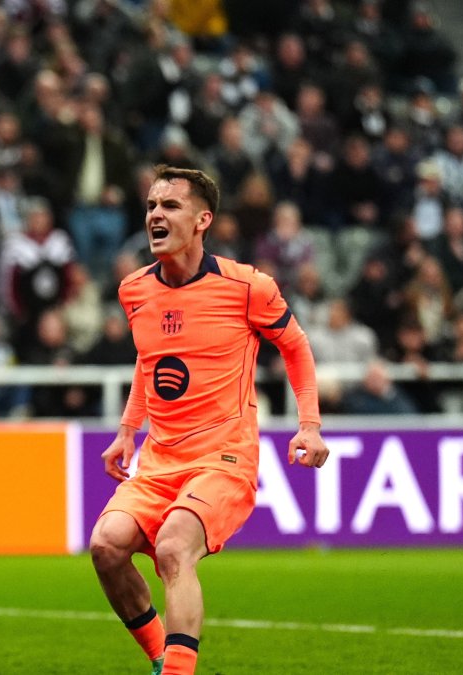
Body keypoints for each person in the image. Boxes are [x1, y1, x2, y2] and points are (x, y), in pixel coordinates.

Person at [89, 165, 329, 675]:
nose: (155, 215)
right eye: (151, 206)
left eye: (170, 206)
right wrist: (128, 431)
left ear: (203, 220)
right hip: (160, 459)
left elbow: (295, 346)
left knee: (175, 545)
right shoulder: (134, 290)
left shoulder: (247, 286)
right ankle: (162, 658)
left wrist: (309, 424)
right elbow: (149, 361)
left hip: (224, 457)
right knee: (106, 546)